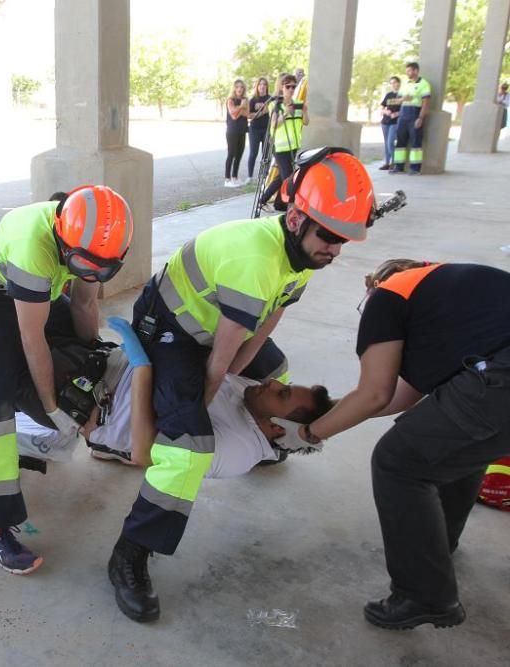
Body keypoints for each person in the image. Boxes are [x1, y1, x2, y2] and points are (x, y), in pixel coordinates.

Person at [106, 147, 376, 623]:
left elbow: (258, 336)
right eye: (329, 236)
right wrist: (197, 412)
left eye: (343, 241)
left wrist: (249, 389)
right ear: (295, 218)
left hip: (218, 330)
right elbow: (219, 364)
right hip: (171, 329)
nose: (334, 250)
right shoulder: (256, 261)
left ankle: (269, 440)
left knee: (279, 368)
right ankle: (131, 552)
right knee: (189, 445)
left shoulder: (299, 263)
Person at [296, 259, 510, 630]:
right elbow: (398, 396)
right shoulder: (450, 293)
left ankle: (426, 595)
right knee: (454, 444)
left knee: (398, 462)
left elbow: (376, 395)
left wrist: (308, 434)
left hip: (501, 375)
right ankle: (438, 544)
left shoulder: (389, 293)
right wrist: (329, 413)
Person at [0, 185, 133, 575]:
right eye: (84, 266)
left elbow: (86, 302)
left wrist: (93, 358)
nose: (89, 275)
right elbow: (31, 338)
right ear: (62, 237)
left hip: (39, 290)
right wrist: (54, 409)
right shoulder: (32, 246)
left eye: (98, 270)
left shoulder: (90, 242)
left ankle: (103, 440)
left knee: (81, 348)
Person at [87, 318, 333, 473]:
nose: (273, 383)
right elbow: (220, 375)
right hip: (114, 362)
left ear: (278, 428)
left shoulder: (235, 450)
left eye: (283, 394)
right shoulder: (252, 398)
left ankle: (109, 448)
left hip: (99, 405)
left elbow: (145, 454)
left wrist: (142, 367)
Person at [259, 74, 308, 207]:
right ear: (282, 87)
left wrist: (305, 112)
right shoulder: (275, 105)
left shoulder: (298, 104)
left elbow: (306, 122)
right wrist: (286, 113)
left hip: (293, 146)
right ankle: (286, 204)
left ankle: (269, 200)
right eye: (288, 87)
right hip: (280, 147)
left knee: (282, 176)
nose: (291, 89)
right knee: (289, 177)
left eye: (293, 86)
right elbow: (274, 124)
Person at [391, 62, 430, 175]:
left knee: (415, 141)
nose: (407, 73)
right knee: (400, 140)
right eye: (407, 71)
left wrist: (421, 118)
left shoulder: (424, 84)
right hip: (403, 114)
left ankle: (415, 168)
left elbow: (426, 103)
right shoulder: (405, 84)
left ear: (416, 71)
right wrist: (403, 99)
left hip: (415, 113)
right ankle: (398, 166)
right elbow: (398, 100)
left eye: (409, 71)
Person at [246, 77, 272, 183]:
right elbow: (248, 115)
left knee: (265, 153)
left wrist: (266, 110)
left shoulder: (270, 99)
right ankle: (250, 176)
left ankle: (264, 175)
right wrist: (262, 112)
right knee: (253, 153)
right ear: (257, 86)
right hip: (254, 130)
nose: (262, 86)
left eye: (264, 84)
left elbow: (273, 113)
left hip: (267, 129)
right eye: (260, 84)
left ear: (267, 86)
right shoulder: (253, 100)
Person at [224, 79, 250, 187]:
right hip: (232, 131)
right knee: (231, 154)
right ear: (234, 88)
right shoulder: (230, 100)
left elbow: (247, 114)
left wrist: (239, 109)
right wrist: (241, 107)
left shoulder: (245, 100)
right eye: (237, 87)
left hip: (242, 130)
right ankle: (227, 179)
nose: (239, 89)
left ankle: (235, 177)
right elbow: (233, 115)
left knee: (239, 154)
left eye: (242, 87)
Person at [379, 76, 402, 171]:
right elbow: (381, 107)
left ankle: (395, 163)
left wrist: (397, 114)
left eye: (395, 82)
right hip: (385, 121)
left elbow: (405, 109)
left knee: (390, 142)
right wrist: (385, 112)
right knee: (386, 143)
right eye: (391, 83)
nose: (393, 85)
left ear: (399, 83)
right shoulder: (388, 95)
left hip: (395, 122)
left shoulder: (403, 95)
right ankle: (387, 163)